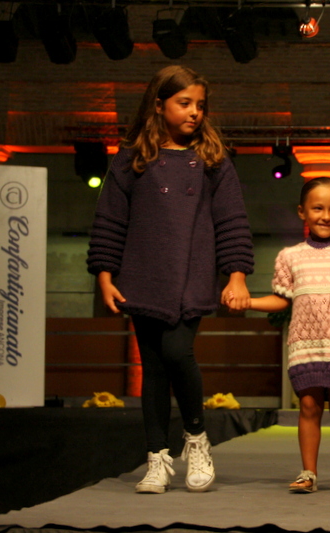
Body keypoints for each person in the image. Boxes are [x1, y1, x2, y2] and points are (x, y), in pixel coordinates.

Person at [86, 65, 254, 494]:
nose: (195, 112)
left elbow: (232, 221)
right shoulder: (132, 158)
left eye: (200, 105)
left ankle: (196, 438)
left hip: (192, 273)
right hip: (142, 275)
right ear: (159, 105)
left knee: (178, 351)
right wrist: (105, 274)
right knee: (154, 367)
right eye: (185, 103)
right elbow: (110, 220)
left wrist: (236, 276)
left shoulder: (213, 160)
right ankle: (157, 458)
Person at [231, 177, 330, 494]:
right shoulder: (290, 256)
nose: (326, 216)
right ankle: (308, 473)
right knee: (308, 406)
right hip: (304, 345)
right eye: (318, 208)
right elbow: (281, 299)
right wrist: (249, 302)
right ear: (302, 211)